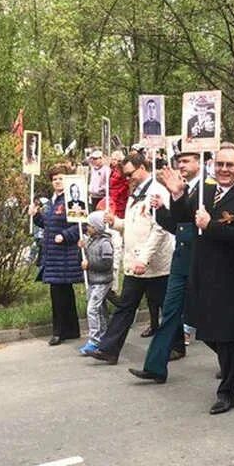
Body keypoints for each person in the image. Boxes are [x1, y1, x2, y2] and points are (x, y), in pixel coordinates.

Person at [156, 142, 234, 414]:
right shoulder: (205, 190)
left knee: (225, 335)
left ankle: (227, 391)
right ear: (212, 165)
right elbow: (181, 220)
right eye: (220, 164)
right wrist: (178, 194)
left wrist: (210, 226)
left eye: (230, 165)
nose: (224, 169)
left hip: (229, 274)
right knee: (204, 330)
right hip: (200, 269)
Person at [88, 152, 173, 365]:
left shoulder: (157, 192)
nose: (127, 179)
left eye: (130, 174)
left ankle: (177, 344)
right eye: (125, 176)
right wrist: (115, 222)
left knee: (165, 306)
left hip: (153, 264)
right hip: (135, 263)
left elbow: (160, 229)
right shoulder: (135, 193)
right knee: (125, 307)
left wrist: (144, 259)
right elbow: (133, 225)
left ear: (142, 168)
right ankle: (109, 349)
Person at [131, 151, 203, 382]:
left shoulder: (207, 188)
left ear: (199, 162)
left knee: (208, 318)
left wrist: (178, 196)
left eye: (186, 161)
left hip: (202, 261)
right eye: (179, 161)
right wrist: (162, 209)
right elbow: (177, 225)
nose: (181, 165)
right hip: (181, 260)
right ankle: (155, 366)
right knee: (170, 313)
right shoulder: (179, 188)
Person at [29, 164, 83, 345]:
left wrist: (65, 235)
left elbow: (81, 226)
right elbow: (49, 223)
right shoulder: (54, 200)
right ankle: (71, 329)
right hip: (53, 254)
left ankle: (59, 331)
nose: (57, 182)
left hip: (65, 254)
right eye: (54, 179)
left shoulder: (73, 199)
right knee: (62, 293)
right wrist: (36, 216)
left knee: (60, 294)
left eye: (60, 178)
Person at [78, 211, 115, 356]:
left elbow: (107, 263)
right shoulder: (91, 240)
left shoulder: (105, 243)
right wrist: (82, 247)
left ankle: (94, 340)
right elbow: (87, 254)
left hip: (102, 281)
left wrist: (90, 265)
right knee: (99, 310)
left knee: (92, 309)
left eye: (90, 226)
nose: (87, 228)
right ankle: (104, 335)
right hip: (93, 280)